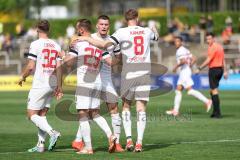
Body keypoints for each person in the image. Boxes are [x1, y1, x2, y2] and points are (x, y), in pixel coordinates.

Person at [76, 9, 159, 152]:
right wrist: (154, 30)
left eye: (106, 24)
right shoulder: (146, 31)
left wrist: (86, 39)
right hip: (142, 73)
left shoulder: (120, 33)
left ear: (125, 19)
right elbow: (156, 37)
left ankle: (125, 141)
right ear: (137, 18)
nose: (103, 26)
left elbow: (107, 47)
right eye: (101, 24)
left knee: (119, 107)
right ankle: (138, 142)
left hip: (123, 74)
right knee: (140, 109)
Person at [62, 19, 117, 154]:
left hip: (85, 83)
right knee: (94, 113)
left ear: (81, 30)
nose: (76, 31)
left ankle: (88, 147)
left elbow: (68, 63)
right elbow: (110, 62)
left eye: (77, 28)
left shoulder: (77, 44)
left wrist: (63, 56)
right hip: (97, 81)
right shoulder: (98, 45)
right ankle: (111, 135)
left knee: (82, 114)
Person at [18, 20, 63, 152]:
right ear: (49, 30)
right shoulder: (56, 45)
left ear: (37, 29)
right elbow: (59, 67)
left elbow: (31, 66)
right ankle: (40, 145)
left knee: (31, 114)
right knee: (42, 114)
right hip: (52, 83)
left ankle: (52, 132)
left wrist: (22, 77)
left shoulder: (36, 44)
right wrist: (59, 86)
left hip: (40, 83)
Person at [166, 36, 212, 116]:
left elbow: (183, 61)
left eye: (177, 41)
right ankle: (175, 111)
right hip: (185, 71)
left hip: (184, 72)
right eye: (175, 41)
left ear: (181, 42)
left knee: (190, 91)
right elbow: (194, 58)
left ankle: (207, 101)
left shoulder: (180, 51)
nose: (176, 43)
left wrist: (175, 67)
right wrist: (190, 65)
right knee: (178, 90)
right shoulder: (185, 49)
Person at [197, 33, 228, 118]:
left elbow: (208, 60)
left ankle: (217, 113)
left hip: (214, 70)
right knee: (212, 91)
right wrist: (225, 71)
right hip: (220, 70)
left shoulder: (212, 47)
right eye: (207, 39)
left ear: (213, 39)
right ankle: (215, 111)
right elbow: (223, 60)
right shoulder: (220, 47)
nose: (208, 41)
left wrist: (199, 68)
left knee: (214, 91)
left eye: (209, 39)